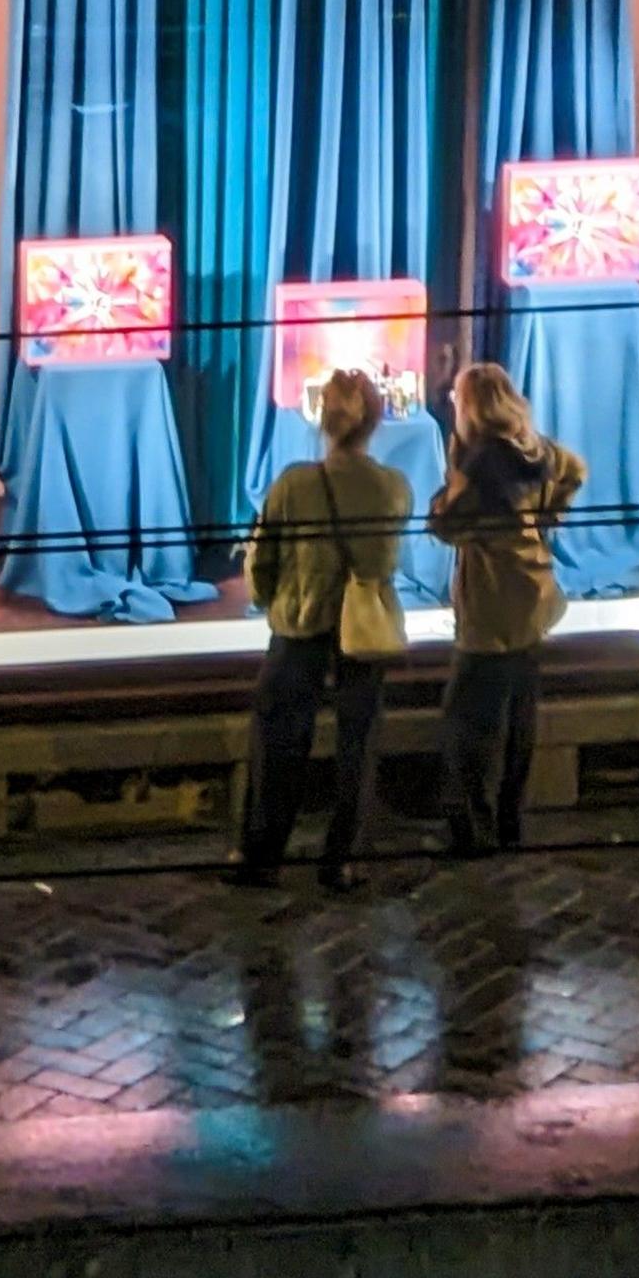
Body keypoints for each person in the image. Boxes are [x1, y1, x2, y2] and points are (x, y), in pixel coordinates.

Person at [227, 367, 412, 894]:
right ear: (375, 422)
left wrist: (271, 599)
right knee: (358, 745)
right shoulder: (392, 487)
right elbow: (384, 560)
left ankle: (262, 855)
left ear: (322, 421)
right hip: (362, 631)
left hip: (299, 626)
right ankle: (342, 860)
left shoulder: (292, 484)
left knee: (278, 743)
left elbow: (263, 561)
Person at [427, 362, 584, 857]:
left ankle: (471, 830)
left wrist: (452, 474)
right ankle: (512, 822)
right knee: (519, 715)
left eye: (457, 397)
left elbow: (446, 525)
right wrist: (545, 517)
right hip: (533, 595)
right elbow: (574, 469)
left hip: (491, 603)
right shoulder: (533, 449)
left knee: (468, 720)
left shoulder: (479, 467)